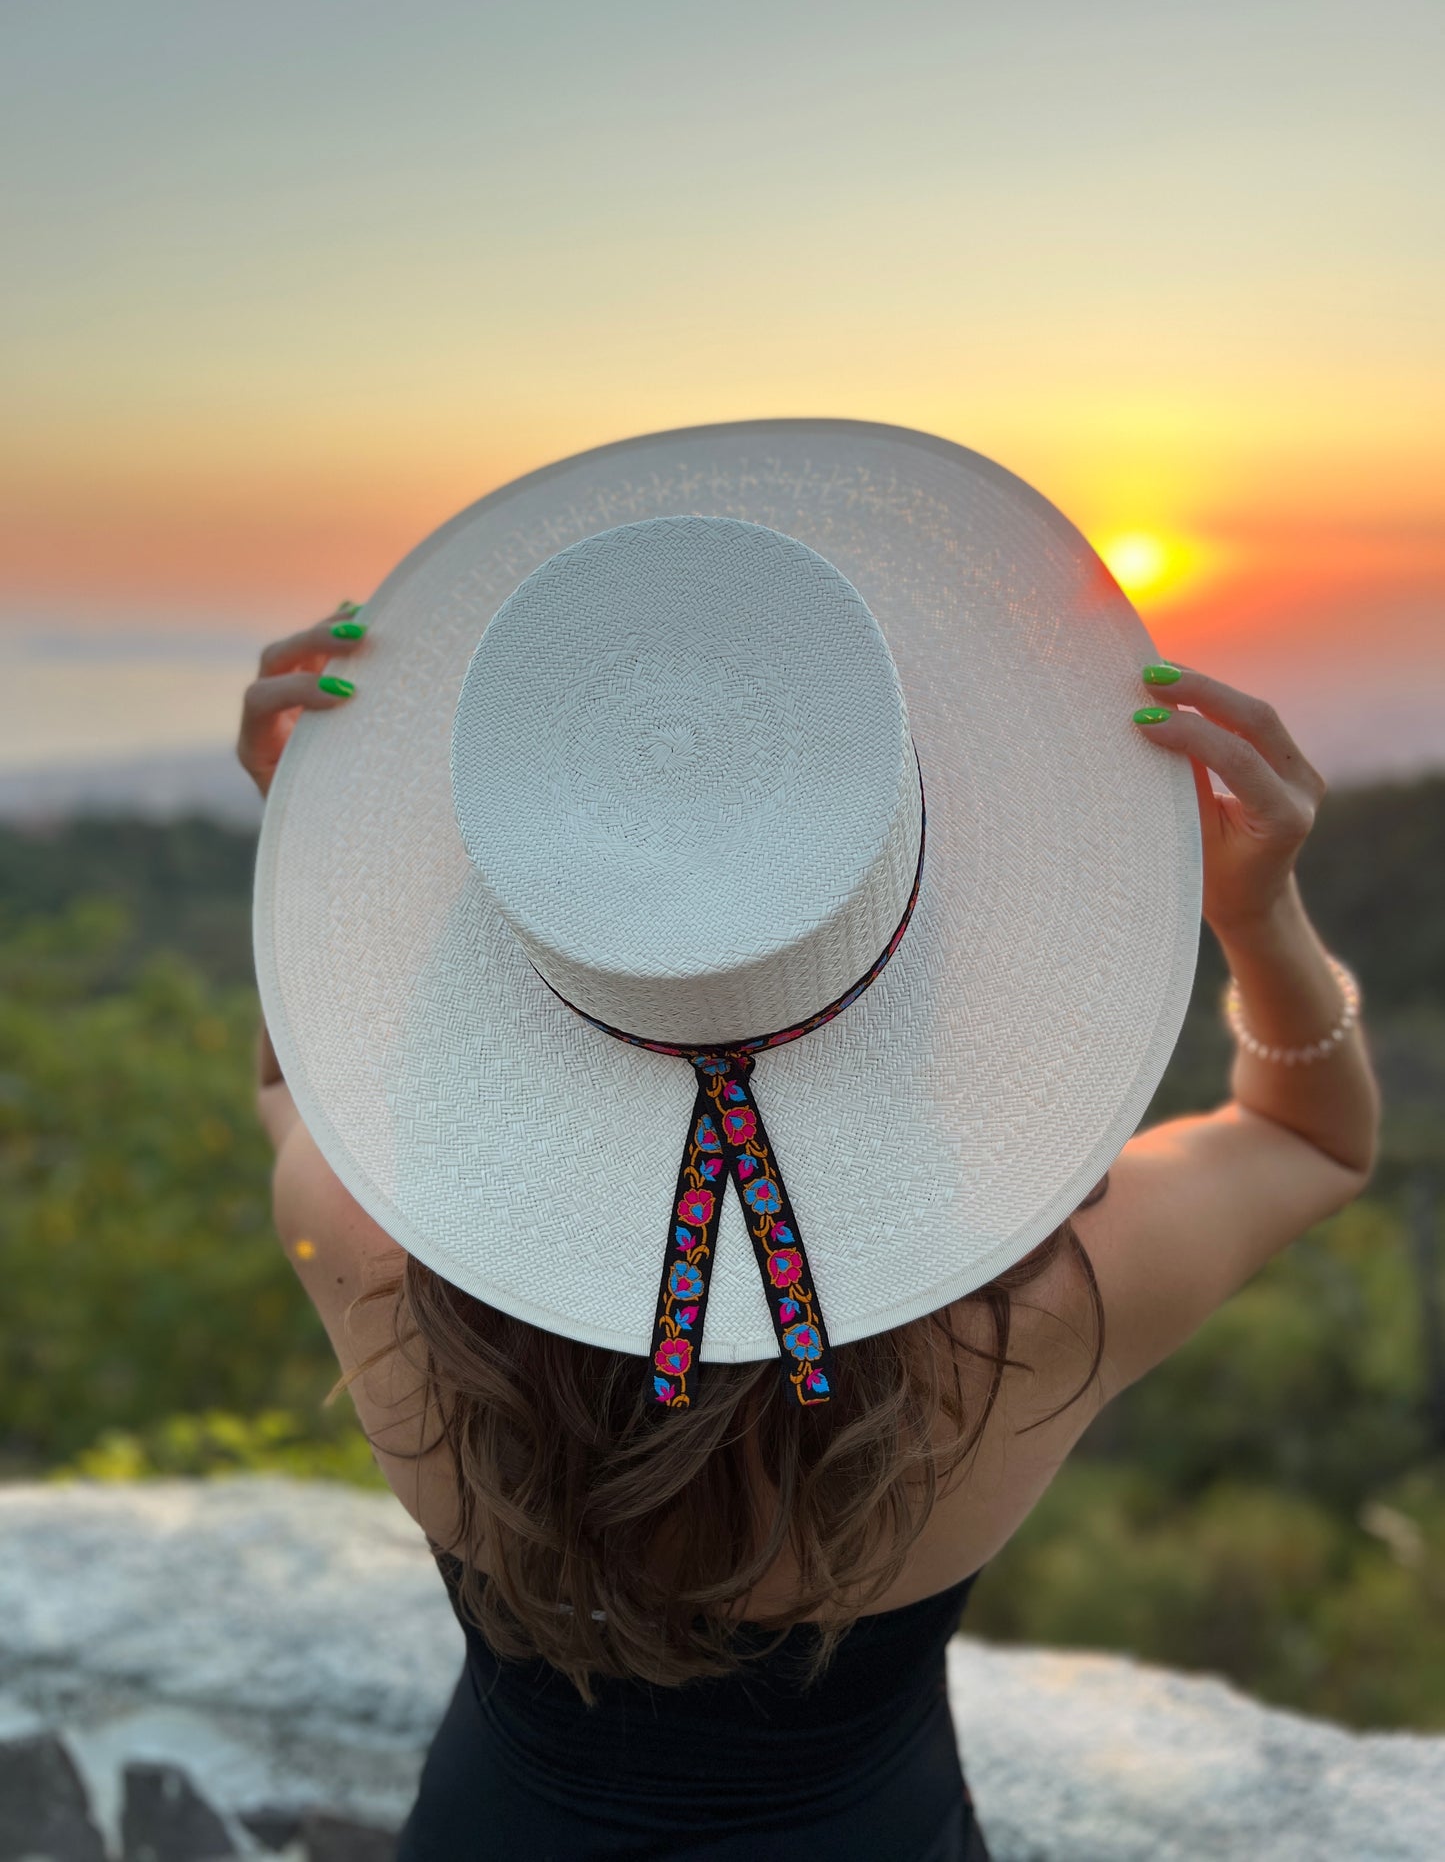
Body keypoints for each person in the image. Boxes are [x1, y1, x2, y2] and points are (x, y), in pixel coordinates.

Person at [237, 437, 1381, 1860]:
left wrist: (301, 852)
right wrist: (1253, 912)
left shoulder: (364, 1250)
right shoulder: (1034, 1320)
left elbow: (305, 1084)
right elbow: (1309, 1141)